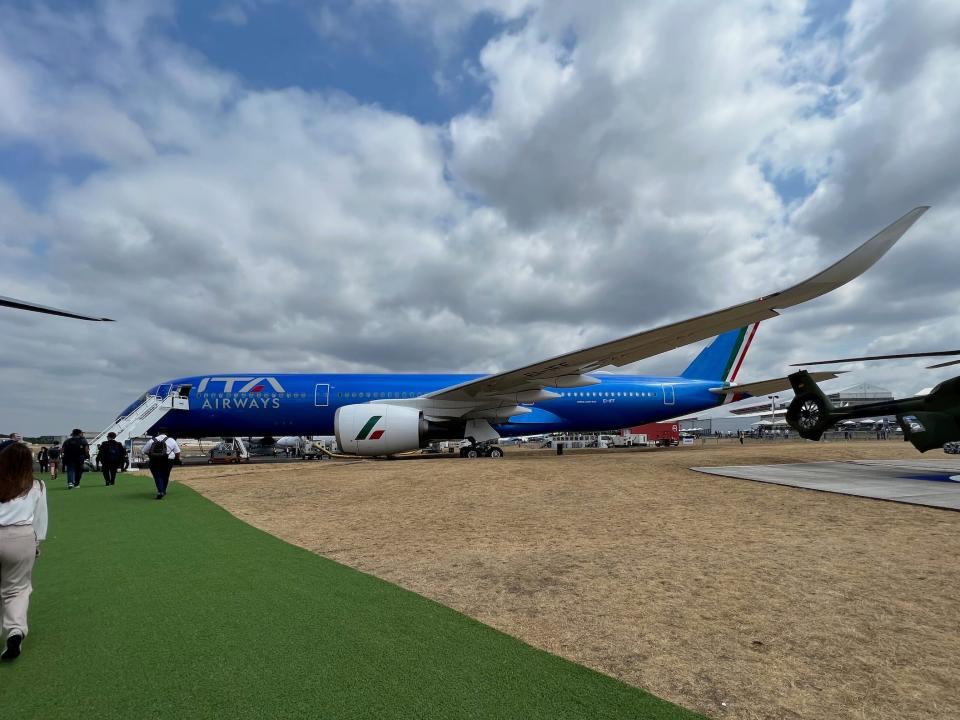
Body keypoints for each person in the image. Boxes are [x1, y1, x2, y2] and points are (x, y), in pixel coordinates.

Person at [0, 443, 48, 661]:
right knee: (17, 588)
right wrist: (36, 544)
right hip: (21, 538)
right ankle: (15, 630)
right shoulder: (36, 486)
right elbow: (40, 519)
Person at [142, 429, 181, 500]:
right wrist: (177, 459)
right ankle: (164, 490)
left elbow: (144, 451)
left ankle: (160, 491)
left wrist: (152, 455)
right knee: (166, 475)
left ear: (158, 433)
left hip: (154, 460)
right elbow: (177, 452)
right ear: (167, 433)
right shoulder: (171, 440)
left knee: (157, 476)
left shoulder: (152, 440)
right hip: (168, 460)